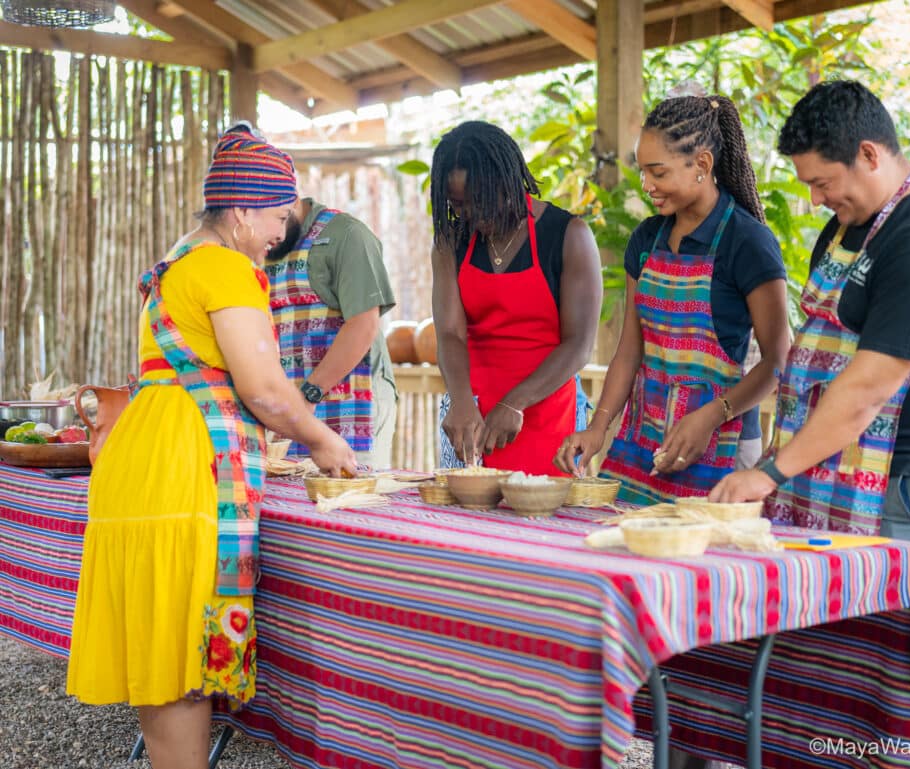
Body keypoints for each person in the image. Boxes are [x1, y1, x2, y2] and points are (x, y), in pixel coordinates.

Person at [66, 124, 357, 769]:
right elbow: (267, 392)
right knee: (179, 660)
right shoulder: (226, 268)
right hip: (182, 470)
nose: (282, 229)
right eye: (279, 215)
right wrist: (323, 440)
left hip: (140, 461)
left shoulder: (176, 264)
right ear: (245, 210)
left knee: (161, 652)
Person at [710, 80, 910, 588]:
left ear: (868, 154)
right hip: (824, 463)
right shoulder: (845, 224)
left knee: (888, 637)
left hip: (907, 478)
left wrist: (769, 473)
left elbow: (867, 389)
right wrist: (783, 463)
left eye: (823, 182)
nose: (816, 199)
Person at [554, 95, 790, 505]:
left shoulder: (748, 242)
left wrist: (711, 416)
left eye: (657, 172)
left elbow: (778, 361)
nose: (646, 185)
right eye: (643, 171)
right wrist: (598, 427)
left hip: (723, 444)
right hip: (644, 440)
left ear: (701, 164)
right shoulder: (646, 239)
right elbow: (630, 350)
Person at [430, 120, 603, 475]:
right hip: (471, 413)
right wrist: (461, 400)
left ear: (507, 182)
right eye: (457, 204)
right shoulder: (450, 241)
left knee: (546, 521)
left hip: (548, 412)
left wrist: (515, 402)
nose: (468, 215)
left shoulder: (569, 234)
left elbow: (579, 345)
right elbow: (449, 333)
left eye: (478, 202)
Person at [265, 195, 398, 469]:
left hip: (350, 403)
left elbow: (364, 323)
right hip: (291, 406)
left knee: (347, 494)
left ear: (287, 201)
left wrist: (309, 394)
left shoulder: (347, 235)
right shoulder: (261, 245)